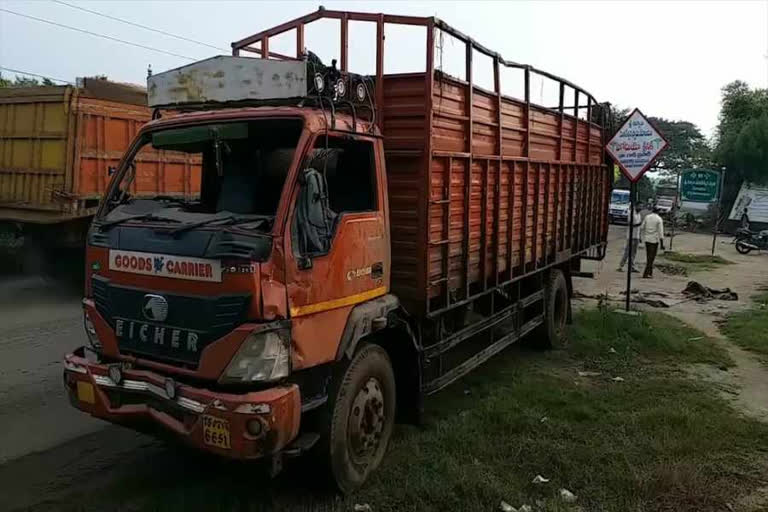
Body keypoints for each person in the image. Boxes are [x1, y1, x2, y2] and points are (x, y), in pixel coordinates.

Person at [640, 206, 665, 278]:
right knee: (651, 258)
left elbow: (642, 227)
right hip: (654, 240)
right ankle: (646, 273)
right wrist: (662, 244)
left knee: (648, 256)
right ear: (658, 211)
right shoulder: (659, 219)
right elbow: (661, 232)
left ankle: (650, 273)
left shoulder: (647, 217)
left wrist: (641, 237)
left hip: (647, 239)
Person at [617, 204, 642, 273]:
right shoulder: (631, 214)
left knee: (634, 253)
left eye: (641, 206)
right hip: (631, 236)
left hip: (636, 236)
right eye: (639, 206)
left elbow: (639, 228)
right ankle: (620, 266)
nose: (640, 208)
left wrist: (640, 236)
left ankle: (632, 267)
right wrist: (638, 224)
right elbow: (630, 224)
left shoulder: (639, 214)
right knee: (627, 252)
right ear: (635, 206)